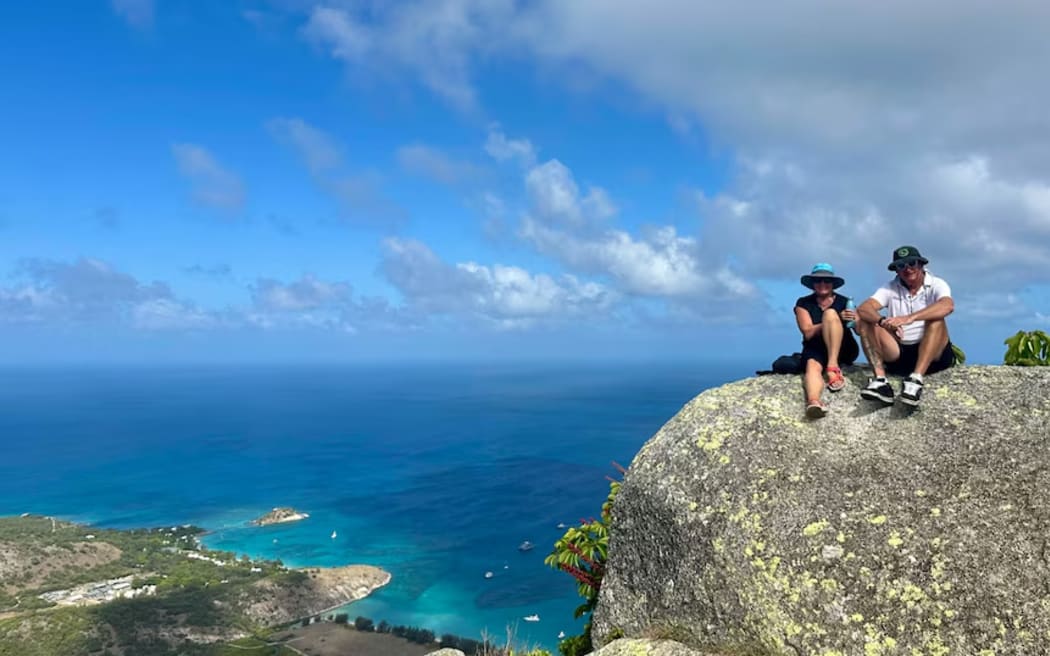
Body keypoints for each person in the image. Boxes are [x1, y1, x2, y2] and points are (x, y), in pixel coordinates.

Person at [856, 245, 955, 407]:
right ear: (896, 270)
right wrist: (883, 322)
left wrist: (910, 318)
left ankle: (916, 379)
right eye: (902, 266)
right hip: (900, 353)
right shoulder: (890, 287)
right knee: (866, 321)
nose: (908, 269)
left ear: (921, 265)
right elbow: (864, 308)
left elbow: (947, 306)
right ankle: (880, 381)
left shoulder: (937, 284)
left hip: (933, 355)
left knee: (936, 319)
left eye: (912, 264)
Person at [794, 263, 860, 419]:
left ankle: (832, 366)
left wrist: (855, 318)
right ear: (812, 284)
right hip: (816, 347)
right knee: (812, 366)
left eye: (826, 281)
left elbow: (858, 330)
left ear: (833, 284)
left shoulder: (845, 302)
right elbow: (808, 332)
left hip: (844, 347)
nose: (822, 284)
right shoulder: (803, 303)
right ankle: (813, 401)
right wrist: (832, 320)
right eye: (818, 281)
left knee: (830, 313)